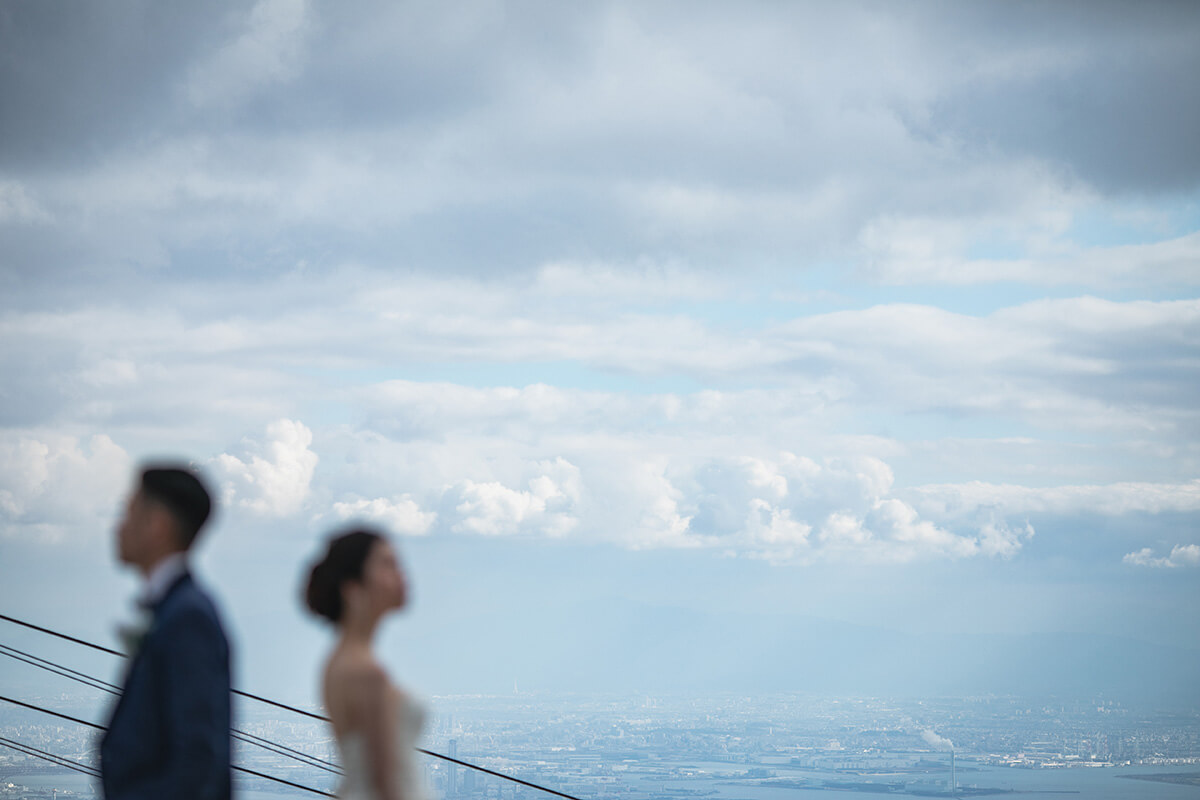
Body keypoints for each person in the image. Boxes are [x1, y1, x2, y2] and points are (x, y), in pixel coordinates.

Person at [100, 464, 232, 800]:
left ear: (157, 525)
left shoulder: (188, 616)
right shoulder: (175, 608)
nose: (117, 528)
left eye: (128, 514)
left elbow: (197, 756)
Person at [304, 528, 427, 800]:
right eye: (387, 564)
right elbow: (386, 787)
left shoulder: (339, 660)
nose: (401, 574)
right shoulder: (366, 673)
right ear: (353, 587)